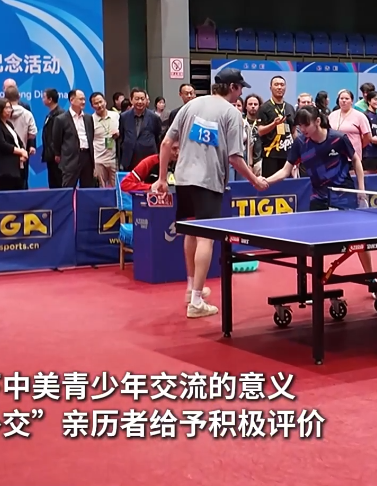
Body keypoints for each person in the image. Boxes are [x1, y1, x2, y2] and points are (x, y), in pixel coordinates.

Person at [152, 68, 267, 319]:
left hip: (183, 179)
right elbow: (235, 158)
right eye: (240, 88)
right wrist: (255, 180)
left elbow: (166, 143)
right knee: (206, 238)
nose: (241, 93)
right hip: (208, 181)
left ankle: (191, 288)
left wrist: (161, 179)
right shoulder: (231, 113)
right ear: (233, 87)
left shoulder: (190, 106)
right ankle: (196, 301)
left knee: (191, 231)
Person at [264, 105, 377, 292]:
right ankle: (317, 288)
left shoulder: (338, 138)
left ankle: (371, 279)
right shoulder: (300, 143)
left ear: (317, 121)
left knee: (359, 239)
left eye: (306, 124)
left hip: (344, 195)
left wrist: (361, 190)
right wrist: (265, 181)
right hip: (319, 198)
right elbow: (285, 170)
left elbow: (356, 160)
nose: (303, 129)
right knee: (317, 244)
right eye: (300, 126)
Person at [54, 89, 96, 188]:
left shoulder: (88, 118)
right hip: (70, 158)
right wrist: (58, 154)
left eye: (84, 99)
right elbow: (57, 140)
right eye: (81, 99)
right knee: (68, 188)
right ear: (72, 100)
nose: (83, 102)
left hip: (87, 157)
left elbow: (91, 136)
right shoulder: (61, 119)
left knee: (88, 188)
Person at [256, 75, 296, 178]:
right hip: (270, 155)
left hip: (288, 156)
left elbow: (293, 131)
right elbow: (260, 131)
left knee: (289, 185)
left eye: (282, 85)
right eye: (276, 84)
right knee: (271, 185)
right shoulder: (264, 108)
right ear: (270, 88)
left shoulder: (290, 108)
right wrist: (274, 124)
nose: (279, 87)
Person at [0, 99, 29, 191]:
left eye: (10, 108)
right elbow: (2, 145)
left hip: (17, 167)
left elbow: (18, 142)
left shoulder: (8, 123)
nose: (9, 110)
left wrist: (23, 152)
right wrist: (20, 151)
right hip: (5, 169)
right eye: (6, 108)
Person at [118, 87, 162, 172]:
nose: (140, 102)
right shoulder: (124, 117)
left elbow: (158, 137)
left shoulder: (154, 117)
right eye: (137, 99)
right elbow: (122, 137)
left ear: (146, 100)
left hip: (148, 159)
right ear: (131, 100)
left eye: (142, 99)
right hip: (129, 159)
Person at [3, 80, 37, 189]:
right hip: (8, 151)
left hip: (21, 150)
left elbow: (31, 132)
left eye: (12, 87)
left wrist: (31, 145)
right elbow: (32, 132)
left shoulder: (25, 107)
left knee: (21, 180)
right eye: (8, 87)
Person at [328, 89, 371, 159]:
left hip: (352, 156)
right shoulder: (332, 115)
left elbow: (367, 136)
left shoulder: (360, 116)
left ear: (352, 101)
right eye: (341, 98)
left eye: (347, 99)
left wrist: (358, 146)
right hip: (334, 154)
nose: (344, 101)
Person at [90, 92, 120, 187]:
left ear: (105, 102)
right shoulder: (90, 120)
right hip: (98, 160)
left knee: (116, 188)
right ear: (92, 106)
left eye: (100, 102)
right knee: (101, 189)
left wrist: (118, 134)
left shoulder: (116, 115)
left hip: (113, 159)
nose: (99, 105)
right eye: (96, 103)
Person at [41, 88, 65, 189]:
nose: (42, 99)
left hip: (57, 156)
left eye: (44, 97)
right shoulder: (50, 114)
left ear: (50, 99)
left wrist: (56, 153)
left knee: (58, 182)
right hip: (50, 155)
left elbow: (58, 135)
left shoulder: (60, 114)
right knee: (52, 182)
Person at [361, 91, 377, 174]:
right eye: (375, 99)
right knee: (369, 175)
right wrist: (371, 139)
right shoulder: (364, 116)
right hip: (368, 153)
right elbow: (361, 134)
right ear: (369, 101)